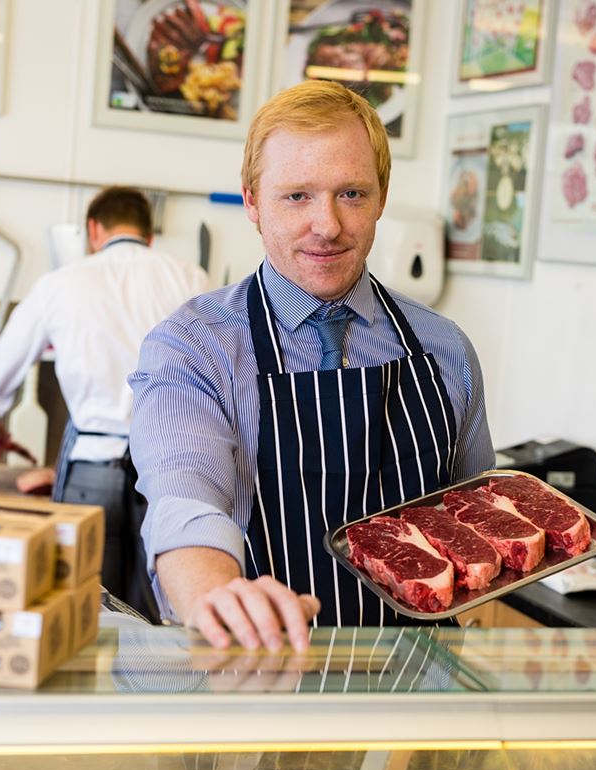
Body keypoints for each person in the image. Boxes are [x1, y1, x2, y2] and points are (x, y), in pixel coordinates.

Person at [129, 81, 495, 652]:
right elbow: (184, 497)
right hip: (253, 679)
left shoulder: (444, 349)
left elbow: (472, 517)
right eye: (296, 196)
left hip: (414, 695)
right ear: (251, 200)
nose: (327, 225)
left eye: (351, 193)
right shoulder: (195, 345)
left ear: (381, 196)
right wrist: (217, 598)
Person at [0, 186, 208, 620]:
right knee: (165, 612)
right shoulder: (191, 279)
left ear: (93, 230)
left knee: (82, 606)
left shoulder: (60, 284)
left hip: (90, 470)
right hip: (170, 469)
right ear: (149, 234)